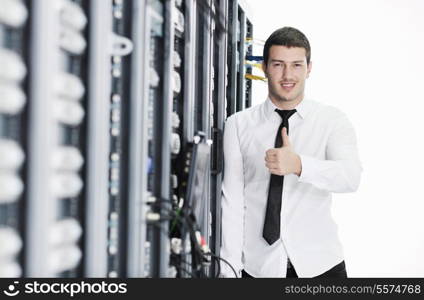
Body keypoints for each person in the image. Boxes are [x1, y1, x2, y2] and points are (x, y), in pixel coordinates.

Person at [220, 27, 362, 278]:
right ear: (265, 68)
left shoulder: (331, 120)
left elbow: (350, 177)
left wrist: (299, 165)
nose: (288, 75)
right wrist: (228, 269)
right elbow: (232, 201)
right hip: (258, 269)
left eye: (296, 65)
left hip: (321, 267)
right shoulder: (238, 125)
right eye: (278, 64)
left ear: (309, 68)